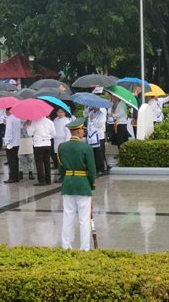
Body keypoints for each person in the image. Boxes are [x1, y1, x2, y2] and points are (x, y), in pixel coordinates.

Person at [58, 118, 96, 251]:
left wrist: (67, 179)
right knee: (84, 219)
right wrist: (92, 184)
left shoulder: (62, 147)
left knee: (68, 216)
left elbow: (61, 169)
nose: (83, 131)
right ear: (78, 131)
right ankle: (84, 248)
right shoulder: (86, 147)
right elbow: (92, 170)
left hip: (68, 184)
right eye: (82, 129)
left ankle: (66, 246)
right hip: (83, 184)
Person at [26, 116, 56, 186]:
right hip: (47, 144)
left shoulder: (34, 122)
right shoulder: (50, 122)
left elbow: (29, 133)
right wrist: (47, 138)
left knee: (39, 163)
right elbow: (54, 134)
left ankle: (42, 181)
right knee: (47, 163)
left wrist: (28, 125)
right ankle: (48, 180)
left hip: (38, 145)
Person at [87, 107, 108, 175]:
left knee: (99, 153)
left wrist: (93, 119)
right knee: (93, 153)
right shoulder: (91, 112)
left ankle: (101, 169)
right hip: (91, 136)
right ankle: (95, 168)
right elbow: (87, 120)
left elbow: (100, 124)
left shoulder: (101, 113)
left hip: (99, 136)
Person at [53, 108, 72, 182]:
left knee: (63, 159)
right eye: (58, 112)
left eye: (62, 112)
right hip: (56, 141)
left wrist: (66, 144)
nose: (60, 113)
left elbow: (68, 134)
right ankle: (61, 173)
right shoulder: (55, 120)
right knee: (58, 159)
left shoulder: (66, 121)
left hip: (63, 141)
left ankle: (64, 174)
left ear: (64, 113)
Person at [3, 108, 21, 183]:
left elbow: (9, 131)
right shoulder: (17, 117)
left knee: (11, 161)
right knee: (15, 160)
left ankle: (12, 177)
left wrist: (6, 142)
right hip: (17, 142)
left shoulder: (10, 119)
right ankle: (16, 177)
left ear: (8, 111)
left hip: (10, 143)